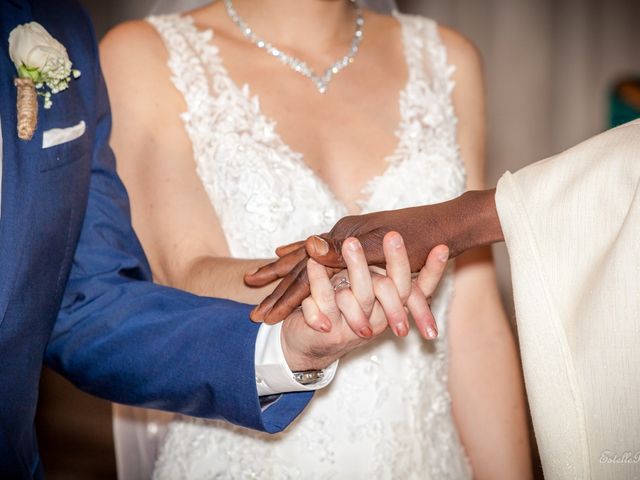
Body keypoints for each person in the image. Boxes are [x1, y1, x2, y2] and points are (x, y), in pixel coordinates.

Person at [0, 1, 433, 478]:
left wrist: (286, 347)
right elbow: (179, 272)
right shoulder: (143, 53)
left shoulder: (57, 22)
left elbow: (84, 298)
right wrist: (314, 288)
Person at [101, 0, 531, 478]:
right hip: (251, 447)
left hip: (423, 454)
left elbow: (470, 313)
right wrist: (335, 284)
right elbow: (181, 272)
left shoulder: (448, 58)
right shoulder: (143, 53)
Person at [254, 119, 640, 480]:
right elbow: (193, 292)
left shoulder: (451, 56)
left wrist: (460, 220)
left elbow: (475, 324)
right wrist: (323, 282)